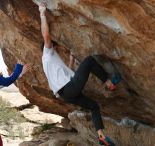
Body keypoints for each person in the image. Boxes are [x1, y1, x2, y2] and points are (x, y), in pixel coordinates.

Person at [39, 2, 121, 146]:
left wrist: (71, 60)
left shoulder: (51, 64)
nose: (56, 49)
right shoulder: (47, 54)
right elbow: (46, 36)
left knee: (94, 106)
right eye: (55, 47)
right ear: (52, 47)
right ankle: (109, 83)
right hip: (69, 89)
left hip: (67, 94)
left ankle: (102, 137)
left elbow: (68, 74)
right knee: (89, 60)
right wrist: (42, 13)